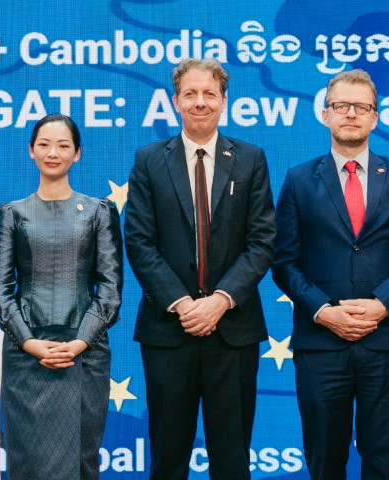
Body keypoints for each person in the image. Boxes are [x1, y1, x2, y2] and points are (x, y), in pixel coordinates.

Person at [270, 69, 389, 480]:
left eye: (361, 107)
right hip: (322, 342)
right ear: (325, 114)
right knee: (325, 462)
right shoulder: (298, 179)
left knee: (382, 462)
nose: (351, 114)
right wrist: (323, 311)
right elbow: (283, 261)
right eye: (341, 106)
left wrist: (383, 304)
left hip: (387, 341)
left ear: (375, 117)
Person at [123, 58, 276, 480]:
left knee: (232, 460)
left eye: (209, 94)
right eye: (190, 94)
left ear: (224, 101)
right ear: (175, 101)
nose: (200, 102)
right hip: (168, 331)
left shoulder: (250, 159)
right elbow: (138, 240)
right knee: (168, 459)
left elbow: (262, 241)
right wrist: (183, 303)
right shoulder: (150, 160)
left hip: (233, 330)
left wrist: (219, 302)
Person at [0, 114, 123, 480]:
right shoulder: (10, 214)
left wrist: (79, 342)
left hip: (86, 352)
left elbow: (110, 290)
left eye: (63, 145)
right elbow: (1, 294)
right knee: (27, 459)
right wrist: (30, 343)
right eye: (44, 144)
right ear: (31, 151)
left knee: (82, 458)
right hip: (26, 353)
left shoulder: (99, 211)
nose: (53, 153)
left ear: (77, 153)